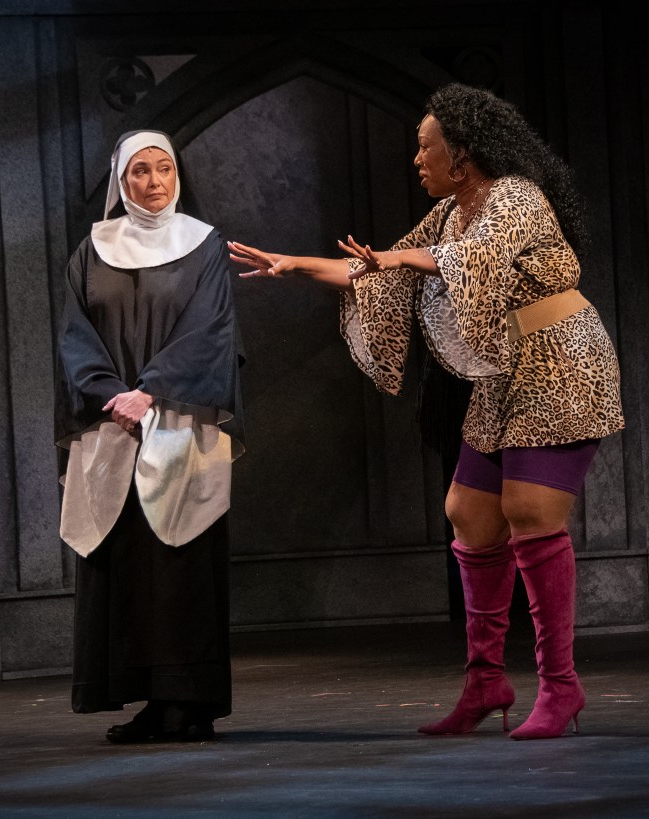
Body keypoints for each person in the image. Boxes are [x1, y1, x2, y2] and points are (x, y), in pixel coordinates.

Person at [228, 82, 624, 740]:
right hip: (503, 369)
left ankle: (561, 686)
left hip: (561, 362)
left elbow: (474, 258)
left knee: (529, 511)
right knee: (468, 512)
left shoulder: (516, 196)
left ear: (462, 155)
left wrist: (397, 259)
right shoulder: (447, 216)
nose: (416, 159)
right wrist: (294, 265)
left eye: (425, 147)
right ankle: (485, 681)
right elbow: (378, 269)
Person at [54, 130, 245, 744]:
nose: (154, 181)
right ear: (121, 181)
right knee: (126, 560)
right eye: (140, 170)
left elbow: (211, 330)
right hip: (114, 424)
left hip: (180, 422)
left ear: (177, 175)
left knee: (180, 562)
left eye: (164, 168)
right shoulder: (92, 250)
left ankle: (189, 702)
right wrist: (111, 393)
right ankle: (147, 700)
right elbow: (74, 334)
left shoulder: (204, 244)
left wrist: (151, 390)